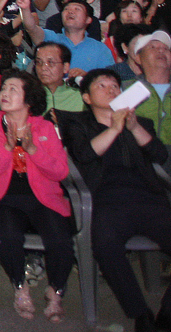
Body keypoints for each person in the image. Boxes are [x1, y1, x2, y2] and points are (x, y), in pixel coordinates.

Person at [62, 68, 171, 332]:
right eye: (102, 85)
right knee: (106, 247)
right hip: (106, 201)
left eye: (115, 86)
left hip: (149, 198)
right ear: (87, 98)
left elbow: (160, 155)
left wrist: (133, 128)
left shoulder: (141, 122)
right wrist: (114, 128)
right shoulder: (77, 124)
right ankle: (140, 313)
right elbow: (85, 154)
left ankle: (167, 313)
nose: (111, 89)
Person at [0, 69, 74, 321]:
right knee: (8, 236)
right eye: (3, 88)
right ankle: (20, 286)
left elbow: (60, 171)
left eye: (13, 89)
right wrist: (8, 147)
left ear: (28, 99)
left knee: (61, 239)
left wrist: (33, 150)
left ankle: (55, 291)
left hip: (42, 197)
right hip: (4, 198)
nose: (4, 93)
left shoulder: (45, 127)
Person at [127, 31, 171, 144]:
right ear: (138, 58)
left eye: (166, 49)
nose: (161, 50)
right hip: (139, 152)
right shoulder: (125, 89)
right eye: (153, 47)